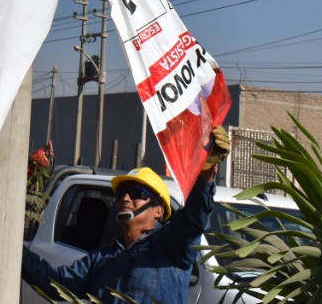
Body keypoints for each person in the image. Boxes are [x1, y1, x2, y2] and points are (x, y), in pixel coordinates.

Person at [21, 127, 232, 304]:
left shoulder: (170, 245)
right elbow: (55, 283)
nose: (126, 198)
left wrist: (206, 175)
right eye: (122, 193)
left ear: (158, 210)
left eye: (138, 194)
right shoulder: (102, 259)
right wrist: (14, 249)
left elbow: (193, 219)